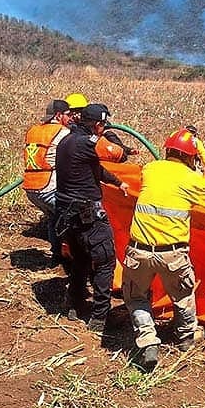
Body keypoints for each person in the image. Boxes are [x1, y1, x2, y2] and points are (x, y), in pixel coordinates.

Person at [123, 128, 205, 370]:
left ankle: (147, 339)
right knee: (183, 295)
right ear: (190, 157)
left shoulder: (151, 169)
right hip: (173, 254)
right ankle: (185, 337)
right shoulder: (192, 179)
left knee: (137, 297)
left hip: (138, 252)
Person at [55, 103, 130, 332]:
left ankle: (74, 305)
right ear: (98, 124)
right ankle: (99, 318)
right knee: (105, 261)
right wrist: (112, 139)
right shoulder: (88, 143)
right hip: (88, 215)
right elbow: (117, 155)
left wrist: (118, 183)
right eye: (103, 124)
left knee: (80, 260)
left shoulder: (66, 141)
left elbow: (94, 170)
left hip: (67, 215)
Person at [23, 99, 72, 262]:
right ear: (58, 116)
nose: (71, 118)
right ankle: (75, 257)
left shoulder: (33, 130)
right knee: (74, 217)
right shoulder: (62, 132)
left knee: (53, 217)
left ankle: (56, 254)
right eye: (68, 115)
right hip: (48, 187)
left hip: (31, 188)